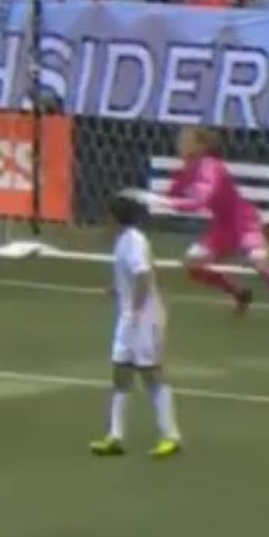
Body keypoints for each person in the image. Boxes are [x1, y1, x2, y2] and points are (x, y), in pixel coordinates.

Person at [140, 127, 269, 332]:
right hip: (223, 227)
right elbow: (172, 197)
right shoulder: (185, 171)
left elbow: (197, 202)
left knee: (263, 266)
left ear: (201, 146)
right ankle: (238, 293)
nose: (180, 143)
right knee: (192, 264)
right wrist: (155, 200)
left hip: (245, 224)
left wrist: (161, 201)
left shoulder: (210, 167)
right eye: (180, 139)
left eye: (186, 139)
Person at [89, 193, 181, 459]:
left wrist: (136, 311)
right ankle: (115, 436)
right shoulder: (123, 242)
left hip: (144, 319)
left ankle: (171, 435)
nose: (104, 222)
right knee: (121, 373)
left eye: (107, 217)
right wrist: (117, 289)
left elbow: (144, 275)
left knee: (151, 374)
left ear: (116, 219)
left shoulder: (134, 242)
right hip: (130, 317)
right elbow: (133, 276)